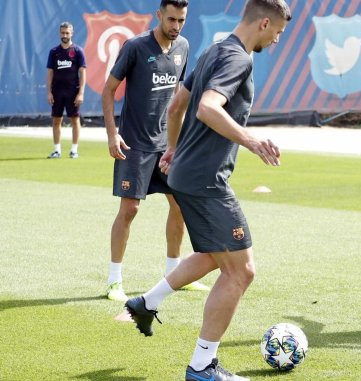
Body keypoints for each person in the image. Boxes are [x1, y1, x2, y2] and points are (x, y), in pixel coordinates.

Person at [123, 1, 291, 379]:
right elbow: (207, 108)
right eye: (277, 32)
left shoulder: (213, 48)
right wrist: (251, 141)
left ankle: (147, 303)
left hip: (187, 173)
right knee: (242, 271)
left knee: (217, 256)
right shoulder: (238, 59)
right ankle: (202, 366)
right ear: (264, 22)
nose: (277, 40)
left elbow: (176, 106)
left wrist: (172, 150)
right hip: (205, 180)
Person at [102, 0, 209, 302]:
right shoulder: (135, 47)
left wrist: (180, 141)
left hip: (166, 146)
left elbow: (178, 96)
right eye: (171, 19)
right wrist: (112, 134)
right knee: (130, 210)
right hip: (134, 145)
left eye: (182, 20)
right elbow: (108, 89)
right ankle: (114, 281)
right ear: (159, 15)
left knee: (180, 206)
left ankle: (175, 275)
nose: (176, 26)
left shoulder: (184, 47)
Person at [46, 22, 86, 159]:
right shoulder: (54, 52)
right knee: (56, 120)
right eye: (62, 32)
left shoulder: (78, 51)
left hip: (72, 92)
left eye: (67, 33)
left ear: (72, 33)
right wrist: (49, 92)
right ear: (59, 33)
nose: (64, 35)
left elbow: (83, 73)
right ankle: (57, 150)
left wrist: (81, 93)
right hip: (57, 91)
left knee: (75, 119)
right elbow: (50, 73)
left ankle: (74, 150)